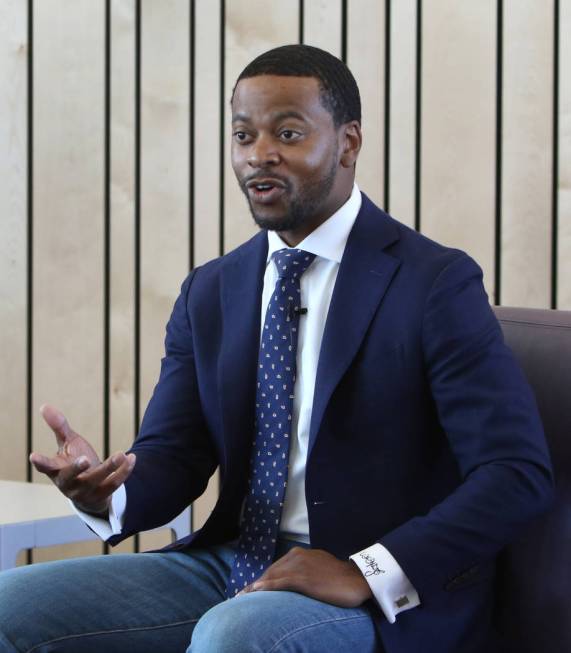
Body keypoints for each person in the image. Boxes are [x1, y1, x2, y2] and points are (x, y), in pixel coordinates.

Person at [0, 44, 553, 653]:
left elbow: (515, 474)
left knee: (233, 636)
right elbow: (176, 453)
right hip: (233, 564)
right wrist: (110, 492)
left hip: (372, 589)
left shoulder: (434, 284)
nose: (259, 154)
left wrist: (364, 571)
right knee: (9, 606)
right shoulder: (211, 290)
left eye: (288, 133)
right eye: (243, 135)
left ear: (348, 143)